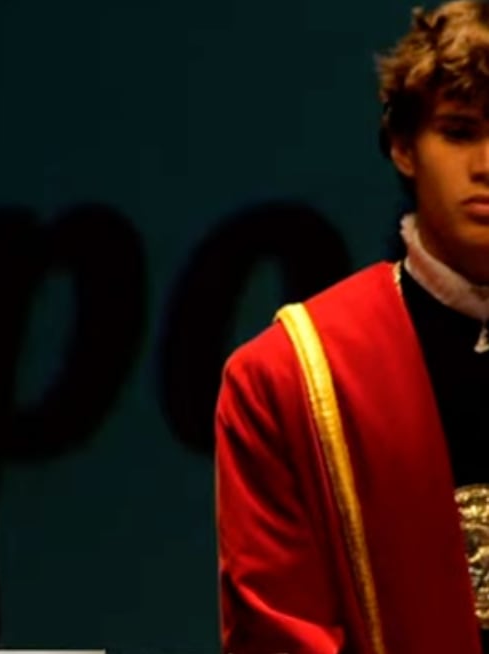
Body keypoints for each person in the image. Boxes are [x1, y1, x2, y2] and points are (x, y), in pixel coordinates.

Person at [216, 2, 489, 652]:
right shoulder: (288, 375)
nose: (485, 163)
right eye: (457, 130)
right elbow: (279, 635)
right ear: (401, 147)